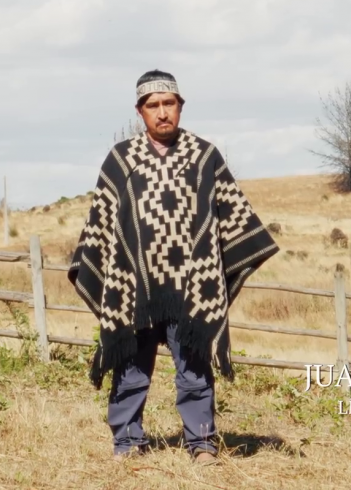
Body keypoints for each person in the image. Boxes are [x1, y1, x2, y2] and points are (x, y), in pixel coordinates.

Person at [66, 69, 280, 465]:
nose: (162, 113)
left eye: (169, 104)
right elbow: (102, 223)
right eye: (153, 106)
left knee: (195, 368)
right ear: (140, 111)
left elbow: (233, 216)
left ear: (180, 107)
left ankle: (201, 443)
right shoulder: (120, 160)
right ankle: (127, 443)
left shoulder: (204, 157)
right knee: (129, 369)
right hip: (134, 287)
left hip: (192, 285)